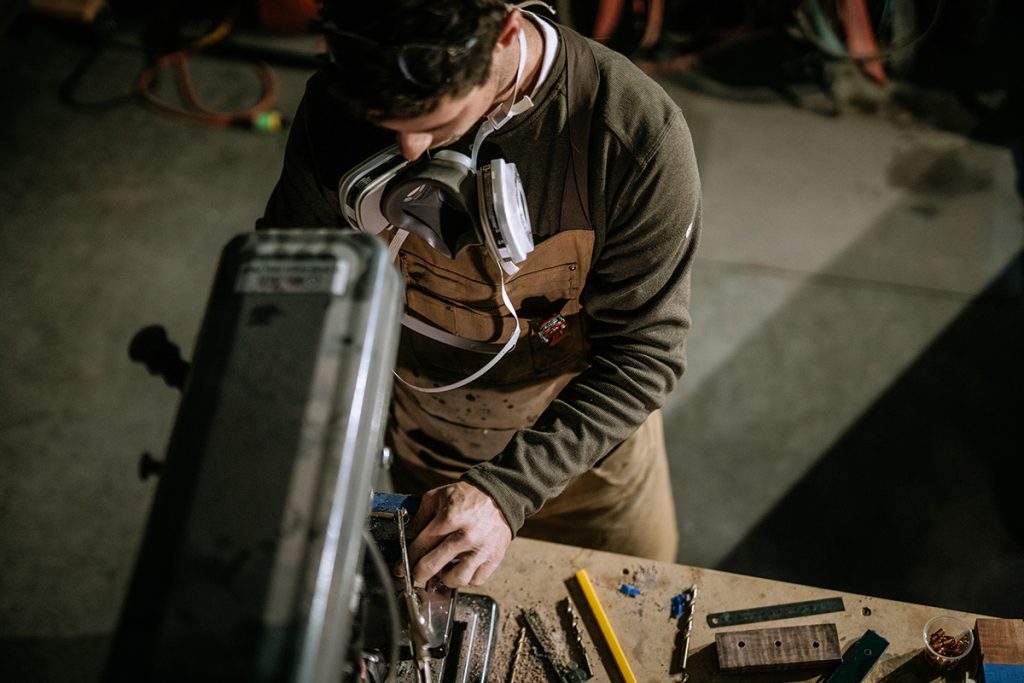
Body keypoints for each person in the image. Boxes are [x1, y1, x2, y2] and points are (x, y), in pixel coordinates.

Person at [258, 0, 701, 589]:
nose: (411, 149)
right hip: (421, 434)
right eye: (386, 123)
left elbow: (645, 355)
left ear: (506, 32)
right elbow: (298, 279)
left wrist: (507, 491)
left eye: (436, 121)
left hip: (584, 462)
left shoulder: (631, 138)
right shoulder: (337, 106)